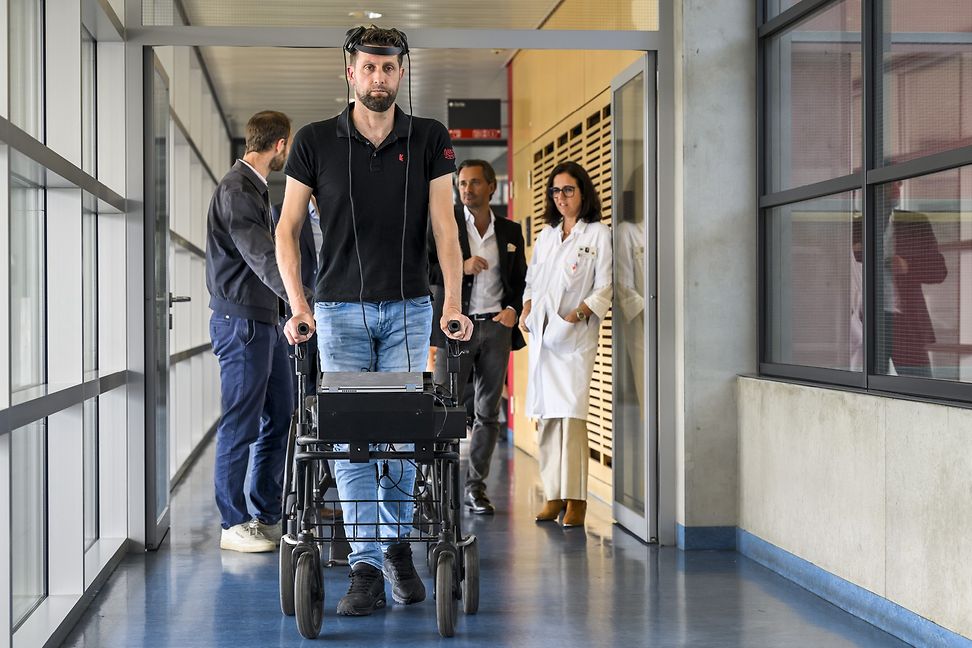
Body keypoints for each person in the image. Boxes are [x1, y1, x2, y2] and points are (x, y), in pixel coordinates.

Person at [275, 25, 472, 617]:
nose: (378, 78)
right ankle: (366, 564)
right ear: (350, 72)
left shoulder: (430, 138)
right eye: (368, 67)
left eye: (388, 69)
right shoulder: (314, 141)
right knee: (351, 437)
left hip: (411, 309)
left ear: (400, 73)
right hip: (337, 313)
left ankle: (391, 552)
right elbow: (285, 230)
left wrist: (454, 304)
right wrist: (299, 306)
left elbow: (446, 229)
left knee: (403, 435)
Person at [206, 110, 298, 552]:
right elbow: (261, 255)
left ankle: (266, 513)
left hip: (266, 322)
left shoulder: (254, 189)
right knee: (240, 422)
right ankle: (232, 522)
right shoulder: (238, 189)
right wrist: (299, 301)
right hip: (241, 322)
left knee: (281, 413)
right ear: (281, 144)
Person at [428, 159, 527, 515]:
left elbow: (521, 281)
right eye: (462, 183)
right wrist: (459, 266)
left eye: (473, 183)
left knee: (487, 413)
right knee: (443, 409)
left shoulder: (511, 232)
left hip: (496, 329)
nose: (466, 189)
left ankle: (475, 487)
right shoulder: (446, 225)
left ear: (491, 188)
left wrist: (513, 311)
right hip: (455, 329)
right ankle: (438, 489)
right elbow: (421, 265)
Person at [520, 161, 612, 528]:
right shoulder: (546, 235)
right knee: (547, 419)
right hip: (543, 336)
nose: (561, 198)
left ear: (583, 192)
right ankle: (554, 494)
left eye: (568, 190)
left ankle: (577, 500)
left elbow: (605, 285)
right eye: (556, 191)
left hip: (574, 339)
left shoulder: (597, 234)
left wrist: (576, 314)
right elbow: (532, 280)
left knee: (571, 419)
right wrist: (527, 307)